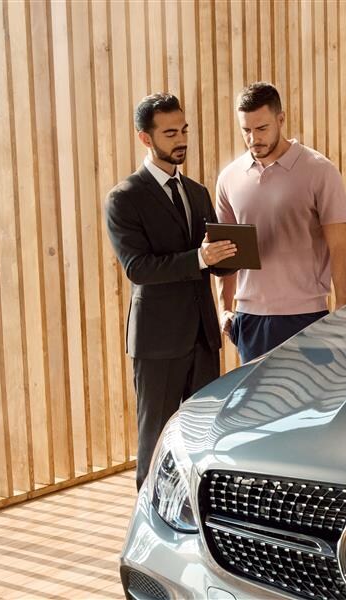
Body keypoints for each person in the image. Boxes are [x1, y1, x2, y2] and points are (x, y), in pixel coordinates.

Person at [105, 93, 236, 490]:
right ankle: (148, 529)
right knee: (156, 442)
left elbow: (211, 258)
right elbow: (137, 268)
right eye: (169, 133)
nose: (181, 139)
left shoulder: (196, 193)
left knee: (202, 440)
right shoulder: (124, 198)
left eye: (184, 130)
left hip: (202, 337)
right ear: (146, 139)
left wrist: (233, 251)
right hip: (157, 342)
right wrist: (199, 258)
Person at [216, 82, 346, 363]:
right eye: (246, 130)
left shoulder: (319, 170)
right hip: (250, 319)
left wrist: (343, 309)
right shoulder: (229, 178)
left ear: (281, 119)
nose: (253, 138)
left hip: (307, 317)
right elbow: (225, 250)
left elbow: (341, 246)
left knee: (313, 404)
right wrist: (224, 308)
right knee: (256, 407)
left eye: (262, 128)